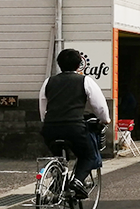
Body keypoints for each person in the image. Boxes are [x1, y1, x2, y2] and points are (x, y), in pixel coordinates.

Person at [39, 48, 110, 198]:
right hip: (74, 128)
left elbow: (43, 106)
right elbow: (100, 106)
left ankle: (58, 184)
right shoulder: (85, 80)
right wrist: (105, 119)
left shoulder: (48, 82)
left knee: (59, 157)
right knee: (89, 156)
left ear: (59, 64)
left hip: (50, 128)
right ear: (79, 65)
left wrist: (46, 121)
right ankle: (77, 180)